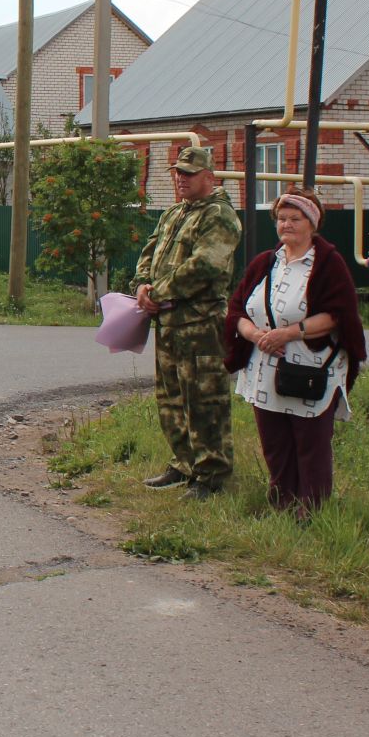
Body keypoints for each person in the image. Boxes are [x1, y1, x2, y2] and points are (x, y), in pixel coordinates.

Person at [223, 187, 367, 515]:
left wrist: (288, 334)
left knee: (310, 444)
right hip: (265, 369)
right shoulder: (266, 262)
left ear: (312, 223)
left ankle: (311, 512)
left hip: (312, 370)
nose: (286, 225)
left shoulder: (328, 264)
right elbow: (237, 310)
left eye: (295, 219)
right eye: (281, 218)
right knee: (275, 443)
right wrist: (256, 335)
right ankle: (282, 505)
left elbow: (339, 315)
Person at [129, 145, 241, 499]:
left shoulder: (219, 216)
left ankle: (211, 475)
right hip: (168, 321)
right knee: (171, 397)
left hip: (201, 322)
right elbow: (150, 251)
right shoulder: (175, 213)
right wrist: (142, 284)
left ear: (210, 177)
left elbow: (206, 265)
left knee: (204, 399)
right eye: (178, 172)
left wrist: (159, 291)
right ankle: (183, 463)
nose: (181, 179)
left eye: (189, 174)